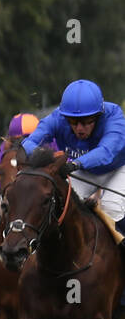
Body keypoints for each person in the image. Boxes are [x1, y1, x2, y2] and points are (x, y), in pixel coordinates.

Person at [21, 79, 125, 222]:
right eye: (73, 121)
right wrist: (46, 158)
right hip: (87, 171)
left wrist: (75, 164)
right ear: (65, 117)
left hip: (118, 169)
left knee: (111, 206)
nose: (79, 128)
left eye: (86, 121)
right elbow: (28, 142)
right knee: (62, 203)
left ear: (98, 115)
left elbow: (106, 152)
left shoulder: (114, 116)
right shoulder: (58, 117)